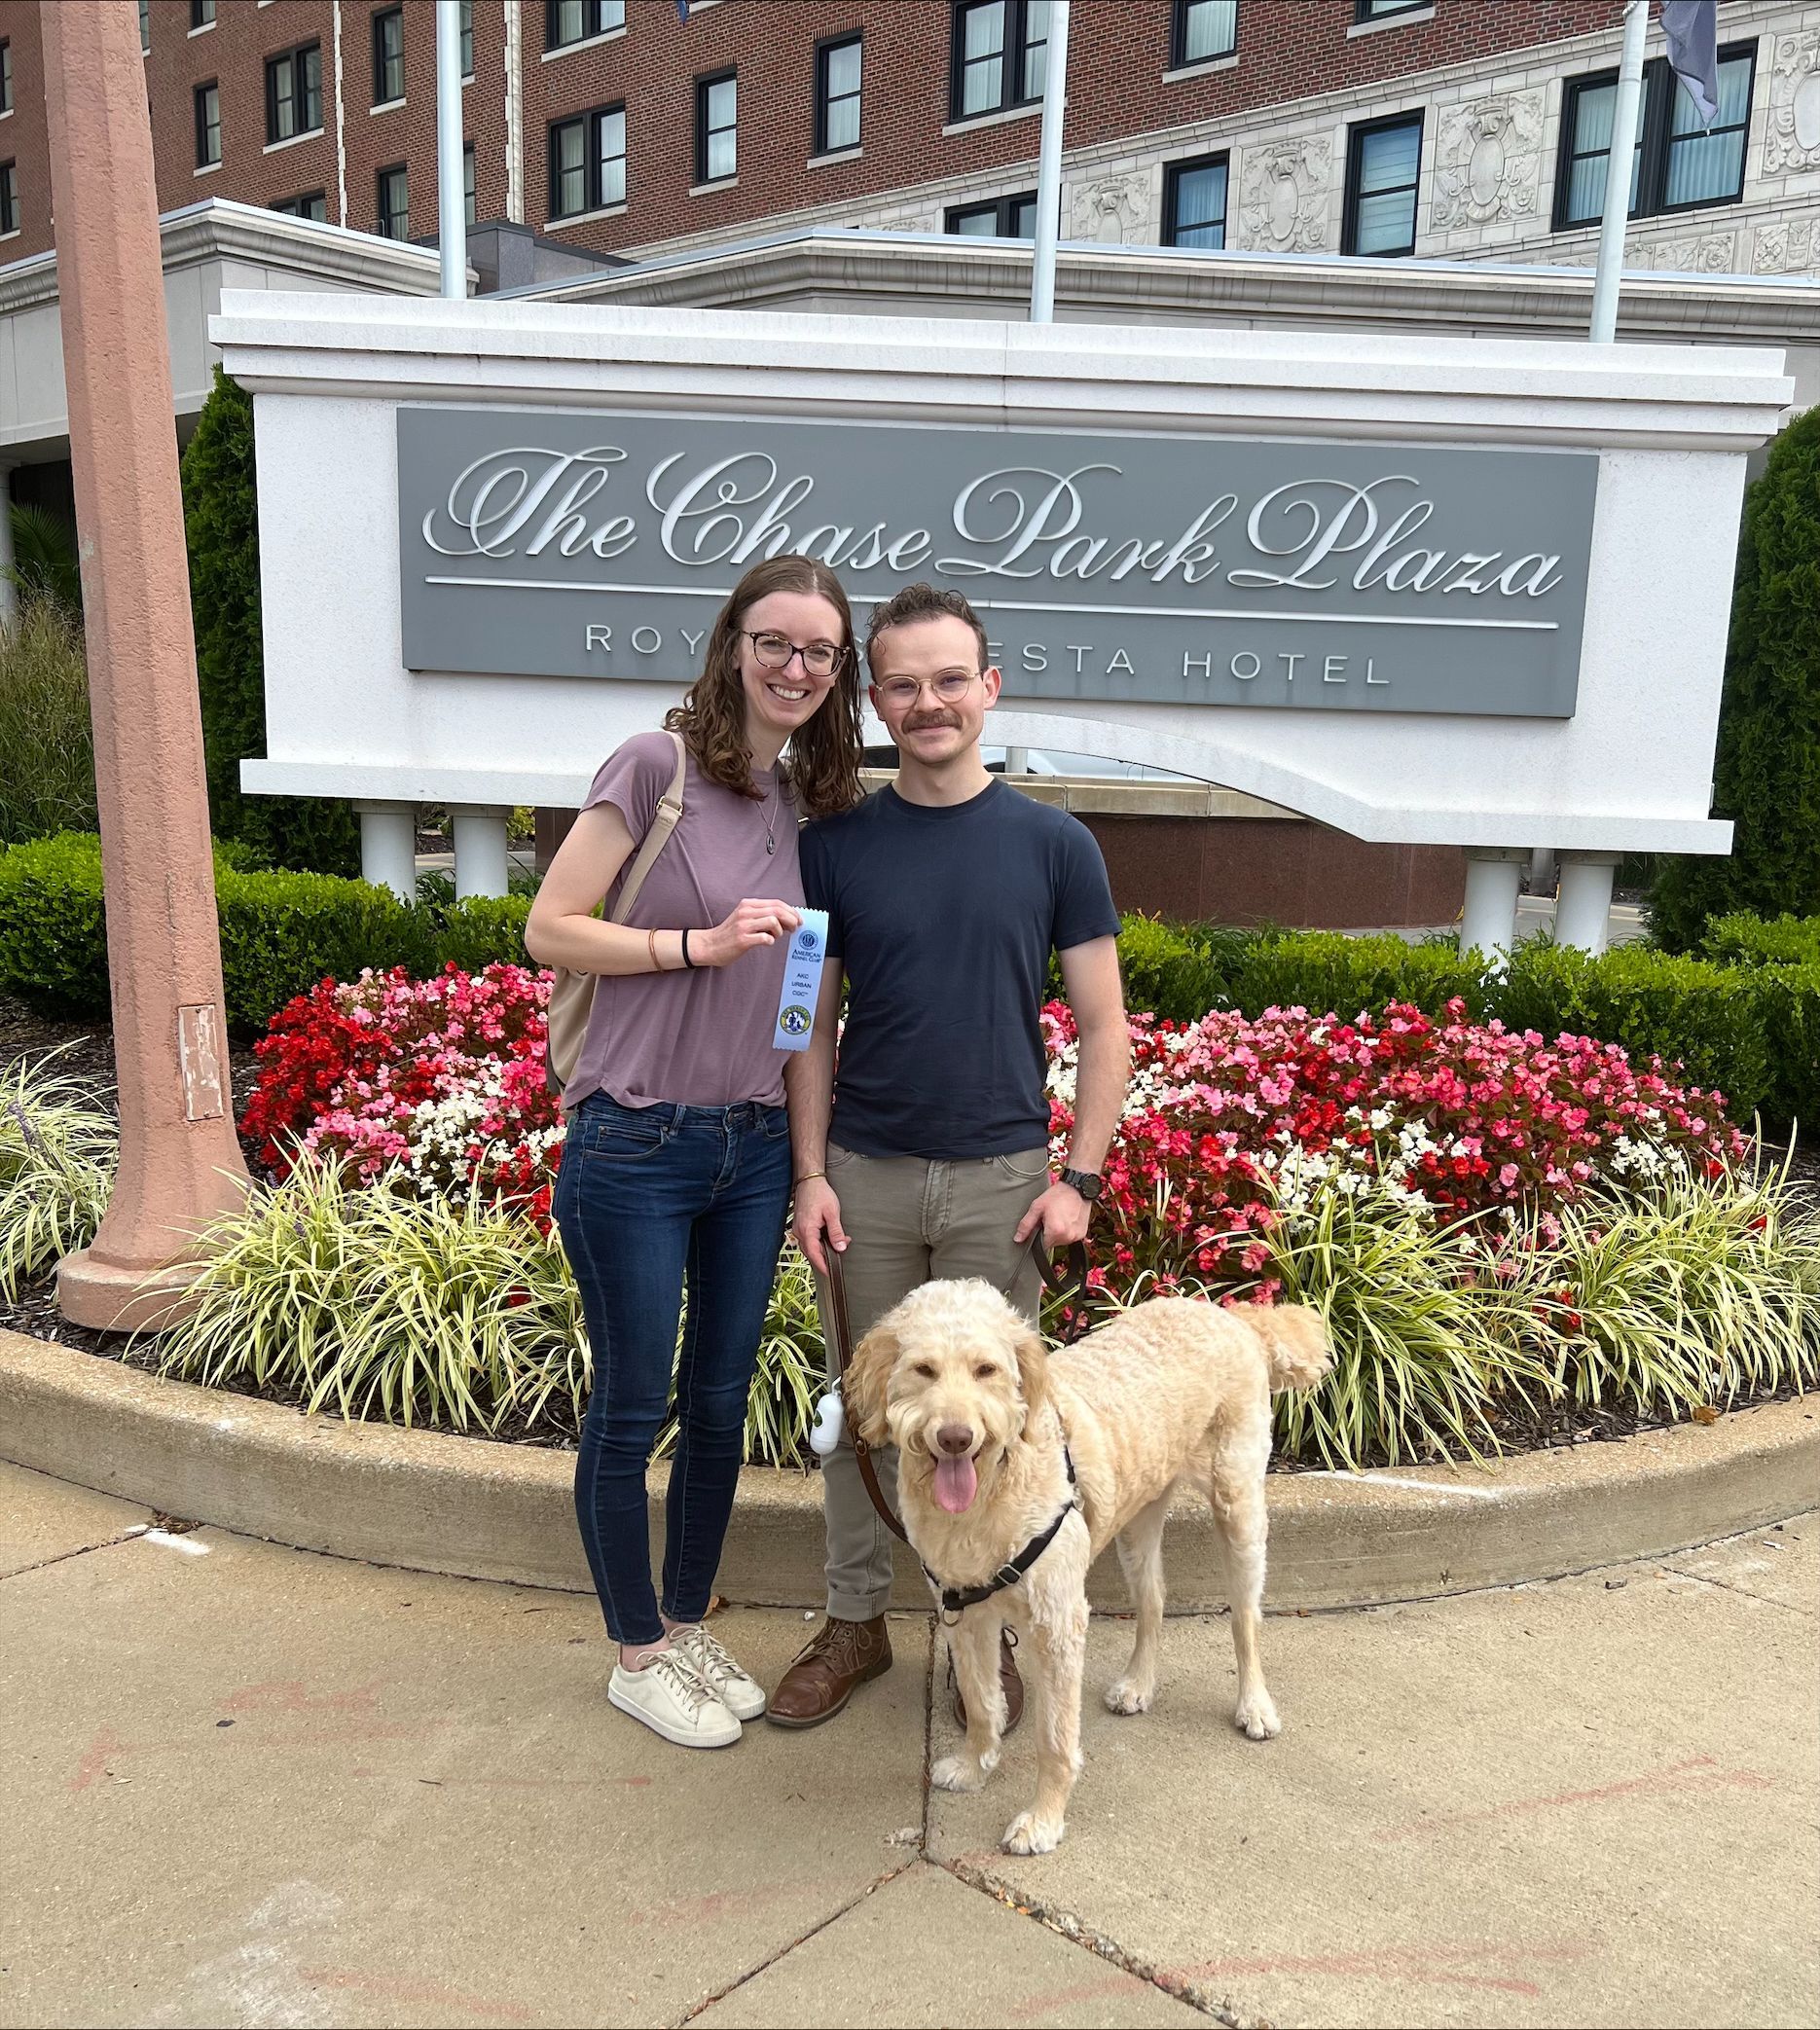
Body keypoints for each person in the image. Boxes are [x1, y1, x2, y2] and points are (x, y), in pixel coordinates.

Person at [770, 582, 1132, 1730]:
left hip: (1002, 1186)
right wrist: (810, 1171)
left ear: (989, 687)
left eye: (948, 680)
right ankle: (853, 1621)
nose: (927, 703)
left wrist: (1076, 1177)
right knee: (865, 1414)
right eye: (902, 684)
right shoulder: (830, 851)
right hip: (864, 1178)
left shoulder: (1056, 845)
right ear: (873, 700)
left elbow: (1103, 1027)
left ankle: (990, 1619)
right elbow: (803, 1025)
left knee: (1003, 1419)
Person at [527, 555, 863, 1750]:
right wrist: (697, 944)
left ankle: (681, 1619)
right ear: (732, 646)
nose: (795, 667)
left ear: (839, 676)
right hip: (635, 1136)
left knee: (718, 1403)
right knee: (631, 1405)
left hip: (752, 1146)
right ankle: (634, 1653)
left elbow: (801, 1012)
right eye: (774, 642)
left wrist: (807, 1155)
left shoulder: (804, 811)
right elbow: (548, 926)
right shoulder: (652, 766)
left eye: (820, 652)